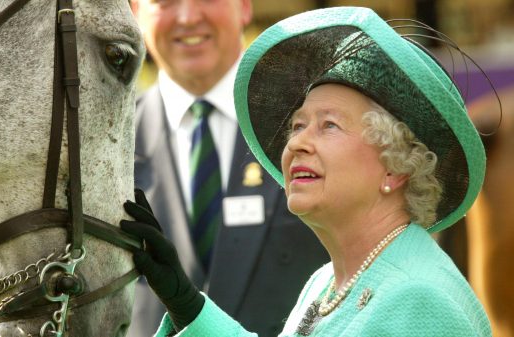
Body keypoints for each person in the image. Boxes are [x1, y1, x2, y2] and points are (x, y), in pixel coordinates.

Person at [121, 6, 492, 336]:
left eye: (328, 125)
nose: (297, 143)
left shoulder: (417, 298)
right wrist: (188, 306)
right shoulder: (326, 282)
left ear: (396, 168)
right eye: (297, 126)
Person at [127, 0, 329, 336]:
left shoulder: (314, 127)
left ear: (245, 7)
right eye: (165, 1)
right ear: (135, 13)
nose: (189, 17)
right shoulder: (103, 143)